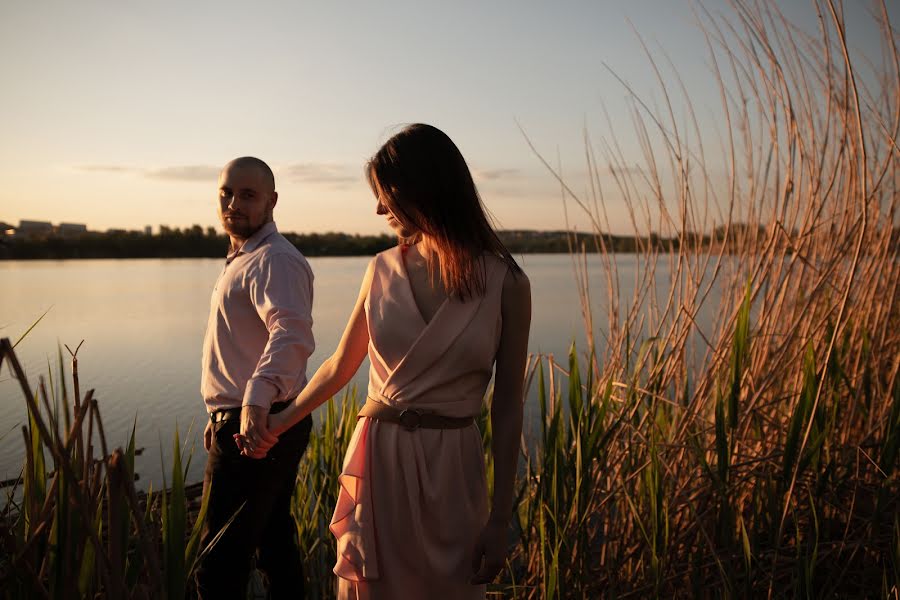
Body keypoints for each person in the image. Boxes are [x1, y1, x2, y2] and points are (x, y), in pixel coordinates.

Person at [236, 124, 531, 599]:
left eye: (385, 194)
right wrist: (281, 421)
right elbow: (339, 365)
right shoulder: (380, 269)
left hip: (453, 470)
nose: (378, 209)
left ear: (423, 187)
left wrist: (500, 519)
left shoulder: (508, 284)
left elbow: (510, 404)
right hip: (379, 459)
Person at [196, 156, 315, 599]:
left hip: (259, 423)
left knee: (218, 564)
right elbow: (240, 351)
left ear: (272, 201)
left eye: (248, 195)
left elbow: (292, 334)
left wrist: (251, 403)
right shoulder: (245, 258)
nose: (233, 203)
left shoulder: (274, 260)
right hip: (250, 418)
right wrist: (219, 414)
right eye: (226, 193)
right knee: (273, 546)